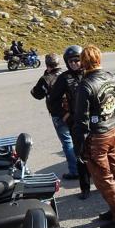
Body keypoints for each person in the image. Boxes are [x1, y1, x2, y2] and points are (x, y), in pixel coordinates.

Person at [72, 45, 115, 228]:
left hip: (97, 136)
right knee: (114, 173)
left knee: (104, 179)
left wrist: (79, 147)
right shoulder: (113, 78)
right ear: (99, 59)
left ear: (83, 62)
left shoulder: (86, 85)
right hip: (112, 131)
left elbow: (81, 120)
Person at [48, 45, 91, 192]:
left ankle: (99, 179)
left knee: (96, 151)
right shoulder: (64, 78)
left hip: (93, 119)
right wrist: (65, 115)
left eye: (76, 60)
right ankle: (85, 188)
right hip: (76, 121)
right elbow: (53, 101)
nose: (74, 63)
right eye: (70, 61)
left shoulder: (90, 73)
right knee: (80, 154)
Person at [30, 53, 77, 182]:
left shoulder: (46, 78)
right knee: (78, 139)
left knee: (67, 142)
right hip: (73, 112)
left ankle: (75, 170)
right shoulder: (67, 74)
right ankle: (85, 167)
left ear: (47, 65)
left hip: (59, 114)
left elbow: (36, 94)